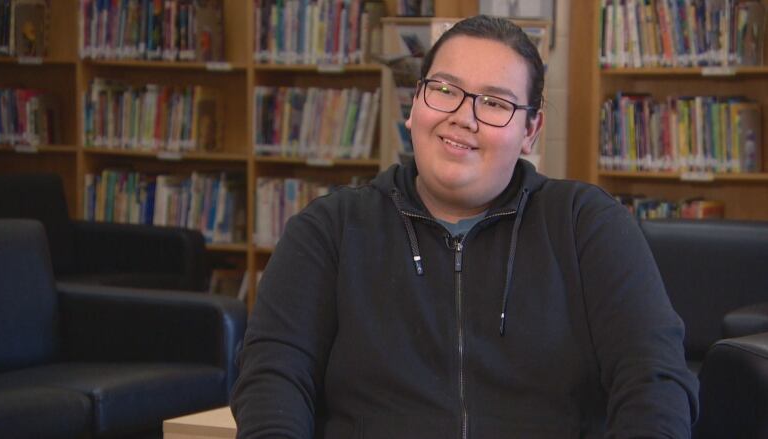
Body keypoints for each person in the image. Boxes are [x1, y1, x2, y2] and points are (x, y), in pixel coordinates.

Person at [231, 15, 698, 438]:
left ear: (530, 131)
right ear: (414, 103)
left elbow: (655, 380)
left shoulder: (586, 225)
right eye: (445, 90)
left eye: (495, 103)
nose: (463, 117)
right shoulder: (329, 230)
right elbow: (273, 377)